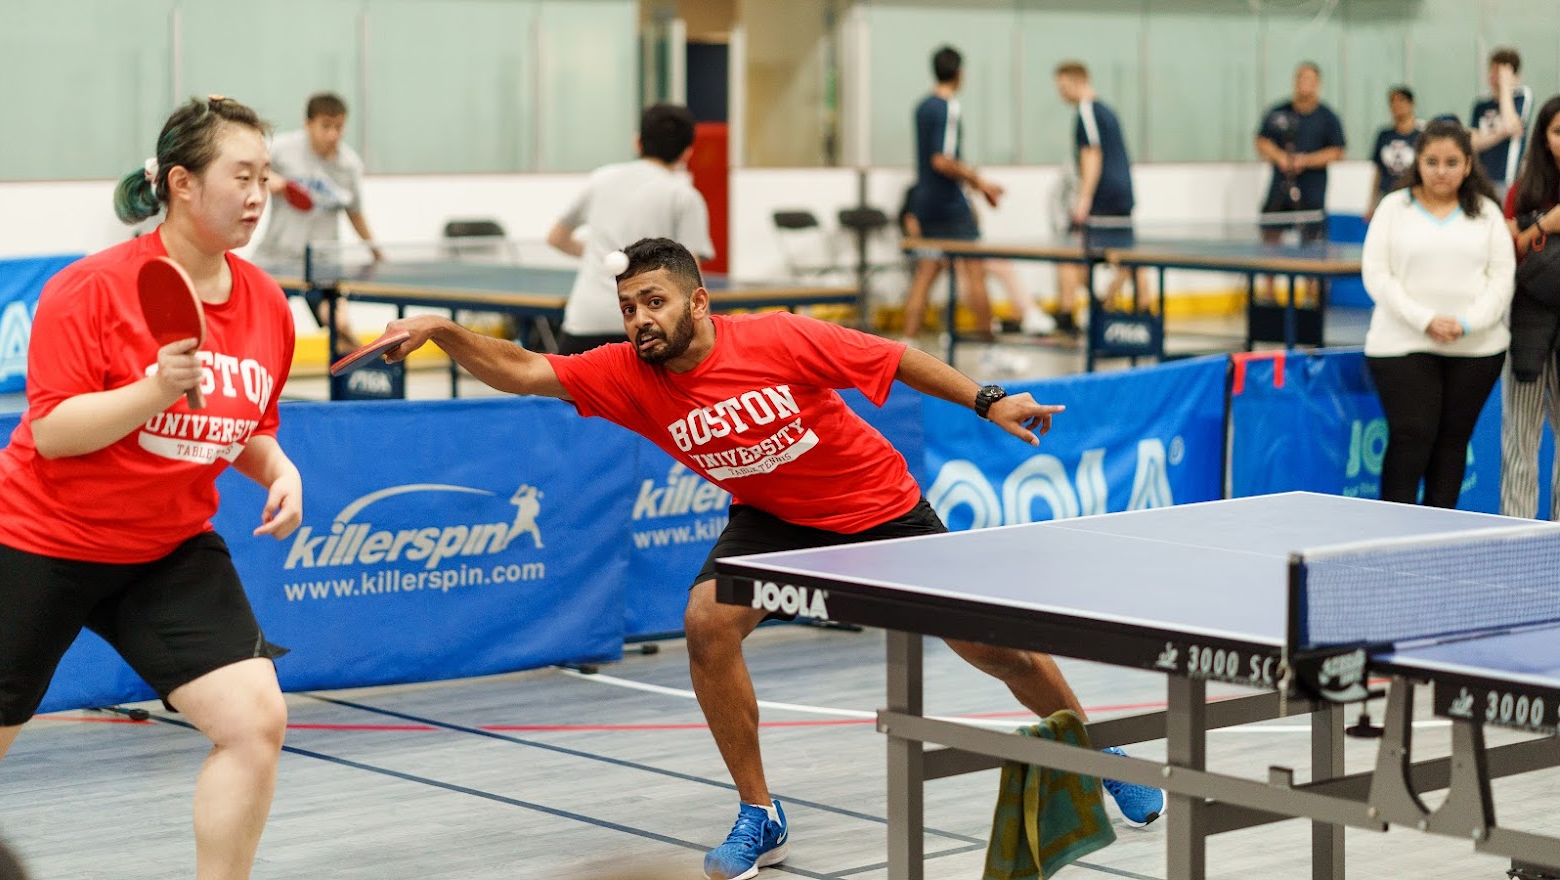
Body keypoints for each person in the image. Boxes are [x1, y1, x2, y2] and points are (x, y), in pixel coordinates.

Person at [378, 237, 1166, 880]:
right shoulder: (628, 374)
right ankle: (761, 812)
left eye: (653, 302)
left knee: (992, 647)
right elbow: (522, 371)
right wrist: (444, 331)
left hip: (878, 508)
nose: (638, 321)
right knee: (705, 623)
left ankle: (1099, 754)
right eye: (628, 309)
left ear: (697, 302)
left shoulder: (780, 336)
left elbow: (894, 359)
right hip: (775, 519)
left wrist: (992, 401)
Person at [0, 96, 301, 880]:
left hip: (166, 549)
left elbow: (243, 426)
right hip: (40, 539)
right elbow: (54, 433)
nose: (259, 193)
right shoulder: (86, 290)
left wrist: (278, 469)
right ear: (182, 184)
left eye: (266, 175)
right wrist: (153, 390)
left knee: (255, 719)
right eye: (242, 175)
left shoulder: (267, 305)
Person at [1361, 119, 1513, 508]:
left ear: (1467, 165)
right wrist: (1424, 320)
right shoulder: (1394, 208)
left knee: (1452, 440)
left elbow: (1502, 280)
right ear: (1418, 162)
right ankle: (1391, 539)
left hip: (1477, 348)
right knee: (1413, 433)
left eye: (1451, 162)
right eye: (1431, 162)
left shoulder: (1488, 212)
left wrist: (1465, 323)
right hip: (1401, 342)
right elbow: (1377, 274)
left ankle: (1437, 538)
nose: (1441, 171)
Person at [546, 103, 714, 354]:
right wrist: (706, 333)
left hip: (587, 320)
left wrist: (602, 256)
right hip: (649, 324)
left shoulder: (601, 179)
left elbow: (557, 238)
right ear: (687, 153)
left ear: (638, 142)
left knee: (565, 394)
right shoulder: (685, 196)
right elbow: (690, 271)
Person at [254, 91, 380, 352]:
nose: (333, 134)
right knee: (258, 329)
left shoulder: (349, 165)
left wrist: (376, 251)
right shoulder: (282, 149)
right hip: (275, 259)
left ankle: (370, 370)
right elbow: (249, 165)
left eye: (339, 127)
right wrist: (265, 176)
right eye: (325, 126)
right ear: (308, 124)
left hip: (322, 263)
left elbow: (355, 213)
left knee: (339, 325)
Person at [902, 45, 1001, 346]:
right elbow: (941, 160)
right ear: (959, 73)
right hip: (948, 207)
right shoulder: (948, 107)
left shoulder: (921, 106)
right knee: (975, 273)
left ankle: (907, 342)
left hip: (925, 204)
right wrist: (979, 182)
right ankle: (988, 346)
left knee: (926, 273)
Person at [1499, 94, 1560, 520]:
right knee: (1520, 440)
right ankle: (1515, 538)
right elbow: (1505, 247)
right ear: (1544, 136)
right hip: (1528, 322)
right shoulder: (1524, 190)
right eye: (1558, 132)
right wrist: (1545, 224)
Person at [1052, 60, 1144, 335]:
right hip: (1122, 194)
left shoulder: (1087, 110)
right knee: (1126, 256)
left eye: (1063, 86)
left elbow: (1092, 152)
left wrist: (1084, 198)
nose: (1061, 93)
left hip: (1103, 197)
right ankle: (1136, 306)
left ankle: (1069, 314)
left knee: (1070, 254)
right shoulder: (1107, 111)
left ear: (1076, 81)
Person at [898, 185, 1055, 336]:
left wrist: (973, 195)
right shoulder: (922, 195)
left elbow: (974, 226)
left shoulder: (957, 196)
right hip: (939, 252)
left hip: (963, 249)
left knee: (1001, 265)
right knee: (956, 278)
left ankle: (1028, 312)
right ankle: (911, 337)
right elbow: (912, 227)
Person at [1254, 62, 1345, 302]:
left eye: (1310, 79)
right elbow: (1262, 141)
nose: (1305, 83)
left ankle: (1311, 293)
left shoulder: (1327, 117)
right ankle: (1269, 293)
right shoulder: (1279, 112)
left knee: (1312, 241)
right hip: (1280, 187)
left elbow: (1337, 151)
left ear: (1318, 83)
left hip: (1312, 188)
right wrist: (1281, 157)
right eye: (1301, 78)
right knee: (1271, 235)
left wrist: (1306, 161)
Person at [1469, 47, 1533, 201]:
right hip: (1481, 178)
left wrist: (1505, 87)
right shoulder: (1481, 104)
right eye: (1492, 70)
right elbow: (1472, 142)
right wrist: (1503, 132)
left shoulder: (1521, 96)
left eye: (1501, 72)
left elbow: (1511, 125)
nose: (1494, 76)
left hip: (1507, 178)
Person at [1367, 85, 1422, 220]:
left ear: (1411, 103)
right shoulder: (1383, 135)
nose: (1396, 105)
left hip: (1412, 194)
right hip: (1387, 194)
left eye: (1401, 100)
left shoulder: (1421, 136)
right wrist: (1371, 203)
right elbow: (1378, 170)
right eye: (1393, 101)